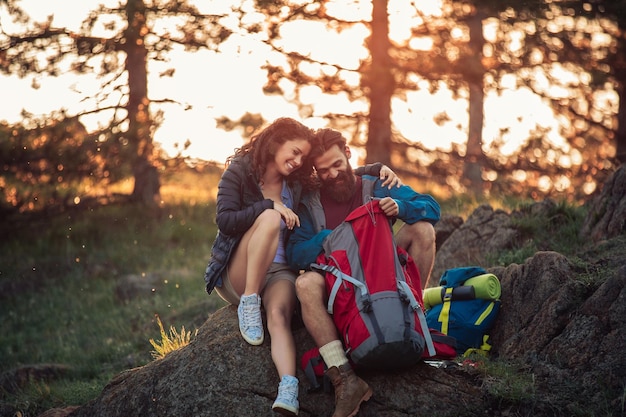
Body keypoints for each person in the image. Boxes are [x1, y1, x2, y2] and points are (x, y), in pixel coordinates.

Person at [203, 118, 400, 416]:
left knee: (279, 315)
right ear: (275, 143)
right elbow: (225, 220)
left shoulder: (296, 180)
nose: (296, 162)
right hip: (241, 272)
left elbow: (335, 174)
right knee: (270, 218)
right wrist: (269, 206)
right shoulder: (240, 171)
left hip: (279, 271)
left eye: (301, 158)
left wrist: (374, 170)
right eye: (293, 153)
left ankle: (288, 389)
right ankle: (250, 300)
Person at [286, 128, 441, 417]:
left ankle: (411, 321)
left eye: (337, 165)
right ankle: (344, 378)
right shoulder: (310, 202)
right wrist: (338, 237)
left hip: (379, 273)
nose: (333, 174)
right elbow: (295, 252)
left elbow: (431, 208)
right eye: (324, 170)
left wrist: (401, 206)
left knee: (423, 230)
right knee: (305, 283)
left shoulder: (376, 183)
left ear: (348, 155)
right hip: (339, 284)